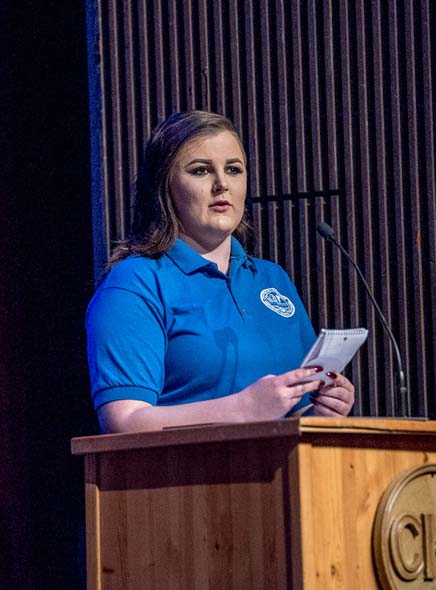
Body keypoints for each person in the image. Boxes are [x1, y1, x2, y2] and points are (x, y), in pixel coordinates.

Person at [86, 110, 355, 433]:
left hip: (282, 477)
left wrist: (321, 412)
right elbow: (124, 423)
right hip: (187, 480)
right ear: (164, 188)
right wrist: (241, 409)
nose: (222, 184)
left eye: (234, 169)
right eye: (200, 171)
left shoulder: (273, 280)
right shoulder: (136, 284)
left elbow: (291, 411)